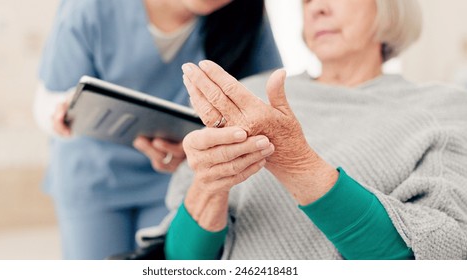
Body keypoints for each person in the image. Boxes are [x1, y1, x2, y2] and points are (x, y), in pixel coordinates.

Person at [143, 0, 467, 259]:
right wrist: (208, 186)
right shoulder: (249, 94)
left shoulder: (442, 108)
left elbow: (437, 254)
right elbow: (179, 261)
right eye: (308, 0)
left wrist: (294, 162)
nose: (316, 8)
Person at [33, 0, 282, 259]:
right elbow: (47, 100)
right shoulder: (91, 7)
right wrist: (60, 112)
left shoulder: (247, 16)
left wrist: (198, 147)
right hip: (92, 177)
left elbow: (264, 99)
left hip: (171, 179)